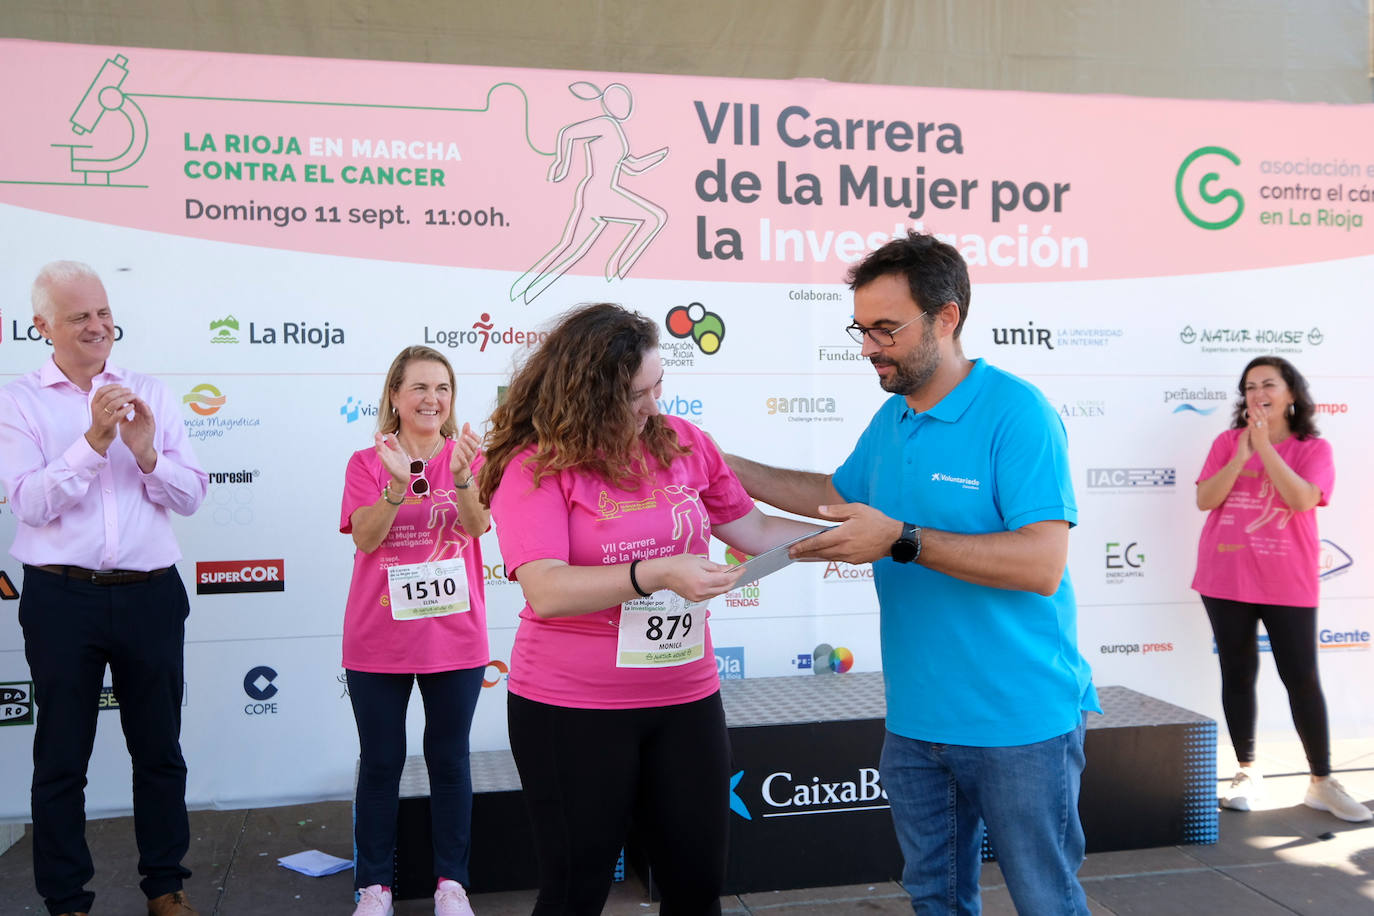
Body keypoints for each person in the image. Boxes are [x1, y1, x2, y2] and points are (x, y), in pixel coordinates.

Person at [724, 232, 1098, 915]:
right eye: (862, 330)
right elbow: (832, 497)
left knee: (1045, 901)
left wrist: (902, 539)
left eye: (887, 329)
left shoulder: (1017, 413)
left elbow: (1042, 565)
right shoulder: (893, 417)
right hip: (917, 724)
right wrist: (718, 466)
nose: (869, 347)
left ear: (946, 317)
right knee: (935, 900)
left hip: (1020, 723)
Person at [481, 303, 819, 915]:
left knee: (695, 887)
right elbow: (548, 589)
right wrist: (656, 573)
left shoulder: (686, 443)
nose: (654, 405)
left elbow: (758, 529)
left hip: (686, 700)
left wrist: (851, 539)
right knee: (575, 892)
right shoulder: (537, 466)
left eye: (659, 385)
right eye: (637, 394)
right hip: (572, 707)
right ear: (590, 395)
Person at [0, 261, 207, 916]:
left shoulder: (150, 392)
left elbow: (192, 494)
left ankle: (166, 888)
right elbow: (29, 504)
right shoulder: (18, 401)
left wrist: (147, 455)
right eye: (78, 316)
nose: (97, 326)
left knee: (159, 751)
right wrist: (92, 442)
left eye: (102, 312)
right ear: (43, 327)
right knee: (61, 757)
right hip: (63, 599)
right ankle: (66, 900)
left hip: (150, 593)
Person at [339, 346, 491, 916]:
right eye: (420, 388)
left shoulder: (467, 458)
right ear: (395, 397)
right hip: (378, 636)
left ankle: (451, 885)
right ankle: (373, 887)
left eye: (443, 389)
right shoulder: (366, 461)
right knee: (381, 761)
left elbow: (478, 527)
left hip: (455, 635)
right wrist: (397, 486)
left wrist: (464, 479)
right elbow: (366, 538)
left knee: (450, 759)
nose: (433, 399)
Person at [1193, 357, 1370, 822]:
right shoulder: (1226, 442)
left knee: (1301, 677)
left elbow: (1300, 499)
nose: (1257, 394)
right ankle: (1247, 770)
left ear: (1291, 394)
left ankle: (1321, 781)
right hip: (1224, 576)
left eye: (1268, 385)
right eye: (1249, 387)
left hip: (1286, 578)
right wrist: (1241, 455)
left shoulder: (1314, 448)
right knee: (1237, 671)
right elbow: (1205, 499)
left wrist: (1266, 449)